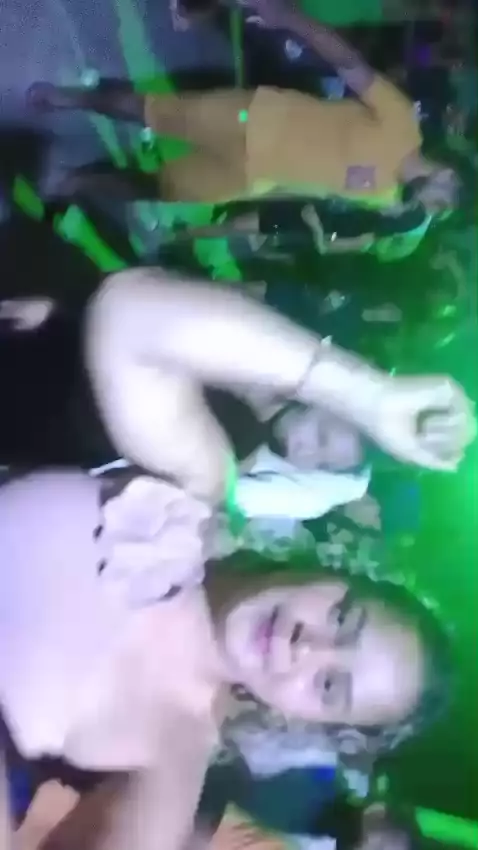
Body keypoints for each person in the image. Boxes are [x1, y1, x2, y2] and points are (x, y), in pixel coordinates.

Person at [0, 468, 453, 850]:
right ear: (338, 567)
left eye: (329, 685)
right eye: (341, 617)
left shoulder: (177, 751)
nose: (308, 646)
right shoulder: (189, 488)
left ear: (306, 720)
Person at [28, 4, 460, 218]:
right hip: (253, 119)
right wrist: (289, 18)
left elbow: (314, 188)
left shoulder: (388, 197)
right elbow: (349, 64)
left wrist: (262, 196)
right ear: (446, 173)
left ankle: (74, 181)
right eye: (442, 202)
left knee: (159, 189)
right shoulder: (403, 124)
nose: (433, 209)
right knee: (155, 113)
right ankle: (70, 99)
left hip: (250, 178)